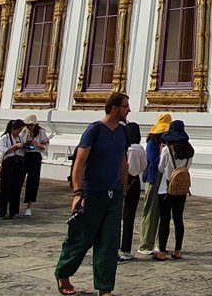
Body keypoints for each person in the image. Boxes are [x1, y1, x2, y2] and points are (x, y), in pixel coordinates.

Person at [55, 92, 131, 296]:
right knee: (81, 238)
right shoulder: (94, 130)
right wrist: (77, 193)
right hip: (92, 192)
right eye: (125, 106)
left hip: (113, 193)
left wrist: (123, 188)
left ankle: (105, 287)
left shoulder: (123, 132)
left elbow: (123, 160)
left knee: (109, 242)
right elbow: (79, 163)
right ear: (114, 108)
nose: (129, 110)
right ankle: (63, 273)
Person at [154, 119, 194, 261]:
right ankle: (178, 250)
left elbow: (160, 168)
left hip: (166, 188)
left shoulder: (167, 149)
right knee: (178, 219)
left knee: (164, 219)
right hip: (181, 189)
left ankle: (163, 251)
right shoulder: (190, 151)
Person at [137, 113, 171, 256]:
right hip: (154, 177)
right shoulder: (152, 143)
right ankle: (146, 244)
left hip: (164, 179)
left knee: (162, 212)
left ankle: (159, 243)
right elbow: (153, 161)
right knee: (151, 211)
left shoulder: (167, 144)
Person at [119, 122, 146, 262]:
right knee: (129, 217)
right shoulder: (139, 149)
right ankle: (126, 249)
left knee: (116, 216)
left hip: (119, 182)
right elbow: (144, 166)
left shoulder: (123, 147)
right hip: (134, 182)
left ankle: (114, 247)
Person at [0, 119, 26, 220]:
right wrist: (14, 147)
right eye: (18, 130)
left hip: (19, 163)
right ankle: (2, 212)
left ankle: (13, 212)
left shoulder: (20, 138)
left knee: (16, 188)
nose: (19, 132)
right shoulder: (5, 138)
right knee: (5, 188)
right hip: (9, 163)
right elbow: (4, 152)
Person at [21, 113, 51, 216]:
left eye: (31, 125)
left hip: (35, 156)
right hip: (25, 155)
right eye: (28, 125)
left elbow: (45, 146)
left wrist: (36, 144)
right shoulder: (24, 131)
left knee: (33, 181)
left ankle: (29, 206)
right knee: (19, 179)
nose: (29, 127)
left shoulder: (41, 132)